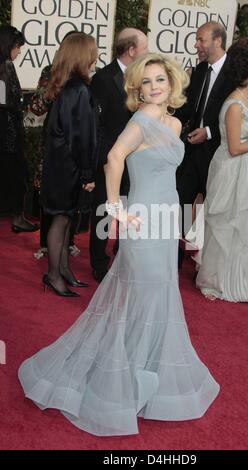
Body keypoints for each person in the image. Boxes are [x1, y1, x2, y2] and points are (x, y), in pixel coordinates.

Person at [18, 52, 220, 437]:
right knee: (140, 294)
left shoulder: (175, 124)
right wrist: (116, 209)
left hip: (165, 217)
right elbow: (113, 158)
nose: (154, 87)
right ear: (137, 88)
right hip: (142, 216)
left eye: (160, 79)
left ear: (172, 83)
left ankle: (142, 370)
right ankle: (122, 376)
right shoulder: (141, 121)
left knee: (158, 294)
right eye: (146, 81)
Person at [195, 47, 248, 303]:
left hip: (245, 169)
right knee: (223, 222)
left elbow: (247, 137)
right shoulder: (233, 105)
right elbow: (233, 147)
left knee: (241, 224)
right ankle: (214, 279)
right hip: (229, 168)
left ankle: (237, 279)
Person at [40, 32, 99, 297]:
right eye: (92, 51)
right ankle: (53, 275)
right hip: (69, 166)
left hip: (62, 164)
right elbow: (81, 137)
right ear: (82, 55)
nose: (95, 56)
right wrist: (87, 172)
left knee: (65, 219)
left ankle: (63, 269)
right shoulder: (79, 90)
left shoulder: (69, 86)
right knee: (62, 220)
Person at [90, 28, 148, 282]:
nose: (147, 52)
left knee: (130, 205)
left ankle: (122, 255)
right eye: (144, 48)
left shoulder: (146, 78)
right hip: (110, 158)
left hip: (136, 159)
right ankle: (98, 262)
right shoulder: (103, 78)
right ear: (132, 50)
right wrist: (105, 158)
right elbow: (96, 125)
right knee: (105, 208)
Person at [176, 22, 235, 267]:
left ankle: (207, 261)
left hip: (217, 152)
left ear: (218, 41)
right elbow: (188, 108)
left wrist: (209, 132)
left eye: (201, 40)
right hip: (190, 150)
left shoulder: (235, 73)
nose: (196, 45)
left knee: (213, 208)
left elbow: (235, 116)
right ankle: (176, 253)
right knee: (181, 200)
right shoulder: (200, 71)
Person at [0, 25, 39, 232]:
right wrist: (26, 101)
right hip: (8, 131)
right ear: (9, 46)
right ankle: (17, 217)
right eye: (18, 46)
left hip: (5, 128)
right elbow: (5, 101)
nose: (20, 51)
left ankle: (16, 215)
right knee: (17, 173)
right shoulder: (4, 65)